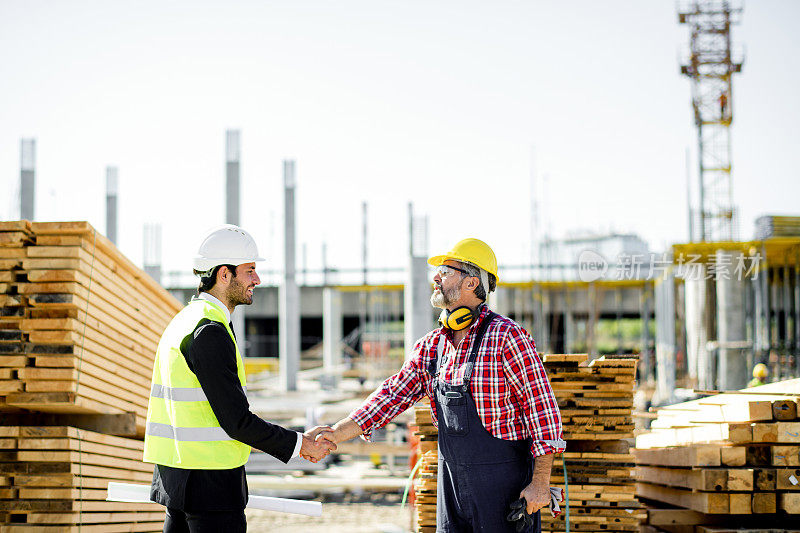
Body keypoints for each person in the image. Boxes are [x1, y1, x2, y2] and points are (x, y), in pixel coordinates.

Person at [319, 238, 565, 532]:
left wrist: (540, 485)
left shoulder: (507, 337)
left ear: (472, 283)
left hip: (504, 490)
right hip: (452, 487)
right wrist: (336, 432)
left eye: (446, 271)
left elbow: (543, 413)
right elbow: (391, 395)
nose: (436, 277)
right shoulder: (432, 346)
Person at [143, 224, 335, 533]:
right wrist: (301, 444)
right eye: (250, 270)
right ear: (223, 274)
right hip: (211, 489)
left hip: (176, 481)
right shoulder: (209, 330)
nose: (257, 279)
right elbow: (236, 422)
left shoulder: (182, 321)